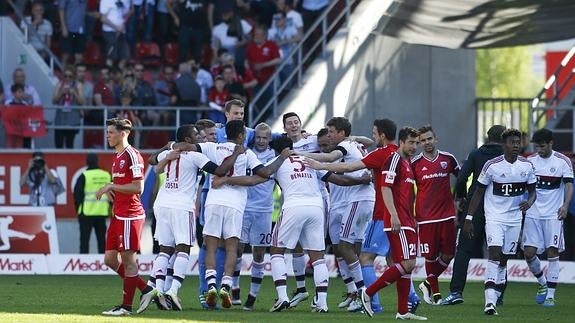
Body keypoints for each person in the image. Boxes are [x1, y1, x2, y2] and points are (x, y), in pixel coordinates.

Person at [211, 136, 372, 313]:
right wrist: (361, 180)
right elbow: (339, 180)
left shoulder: (276, 161)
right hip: (316, 207)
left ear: (276, 151)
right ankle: (322, 303)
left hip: (294, 206)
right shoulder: (308, 159)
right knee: (317, 257)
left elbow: (254, 180)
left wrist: (226, 180)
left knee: (276, 251)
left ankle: (282, 297)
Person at [144, 124, 242, 312]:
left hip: (162, 204)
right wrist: (236, 154)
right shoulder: (196, 156)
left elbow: (151, 160)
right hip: (181, 206)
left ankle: (157, 289)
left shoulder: (168, 153)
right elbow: (219, 170)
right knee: (183, 249)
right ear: (188, 140)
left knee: (165, 250)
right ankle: (172, 291)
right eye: (197, 135)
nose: (201, 137)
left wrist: (166, 147)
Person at [305, 118, 398, 314]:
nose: (328, 135)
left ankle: (361, 292)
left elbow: (335, 162)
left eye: (331, 131)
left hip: (358, 200)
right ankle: (357, 293)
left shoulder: (344, 146)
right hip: (358, 200)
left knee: (346, 247)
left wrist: (310, 160)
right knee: (348, 248)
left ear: (341, 133)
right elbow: (368, 142)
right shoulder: (353, 143)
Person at [462, 128, 537, 316]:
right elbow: (478, 192)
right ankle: (489, 303)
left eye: (518, 142)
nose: (516, 146)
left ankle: (495, 298)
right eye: (512, 142)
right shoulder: (491, 165)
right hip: (494, 217)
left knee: (504, 259)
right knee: (494, 254)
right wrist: (469, 218)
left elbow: (533, 191)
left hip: (514, 219)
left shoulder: (526, 166)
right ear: (504, 145)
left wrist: (529, 201)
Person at [359, 126, 427, 320]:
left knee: (404, 265)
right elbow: (385, 188)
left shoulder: (406, 162)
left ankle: (402, 311)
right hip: (397, 221)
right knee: (408, 263)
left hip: (407, 221)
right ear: (402, 142)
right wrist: (394, 215)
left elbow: (407, 195)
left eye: (417, 143)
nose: (415, 147)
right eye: (412, 143)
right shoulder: (394, 159)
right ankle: (368, 292)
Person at [95, 118, 157, 316]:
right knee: (110, 260)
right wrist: (115, 190)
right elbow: (125, 185)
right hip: (118, 214)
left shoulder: (132, 155)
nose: (108, 136)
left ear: (123, 133)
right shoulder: (117, 155)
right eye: (107, 132)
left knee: (129, 261)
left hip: (130, 215)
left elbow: (138, 188)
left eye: (111, 132)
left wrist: (112, 186)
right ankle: (146, 289)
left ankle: (126, 307)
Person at [441, 124, 506, 305]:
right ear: (504, 138)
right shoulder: (506, 157)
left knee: (463, 250)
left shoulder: (476, 154)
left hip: (474, 208)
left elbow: (462, 178)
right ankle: (498, 294)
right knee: (498, 251)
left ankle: (456, 292)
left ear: (487, 136)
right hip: (500, 208)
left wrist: (460, 197)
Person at [523, 128, 573, 307]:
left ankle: (551, 295)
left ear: (551, 143)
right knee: (528, 253)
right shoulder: (529, 161)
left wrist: (565, 205)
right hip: (533, 213)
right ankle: (543, 283)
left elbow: (568, 185)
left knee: (552, 251)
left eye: (542, 146)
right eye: (536, 146)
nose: (539, 150)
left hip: (553, 214)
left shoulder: (562, 161)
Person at [411, 125, 460, 305]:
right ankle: (436, 294)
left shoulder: (448, 159)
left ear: (435, 139)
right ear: (419, 143)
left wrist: (459, 199)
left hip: (447, 215)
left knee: (448, 254)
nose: (426, 143)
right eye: (422, 140)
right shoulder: (415, 163)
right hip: (425, 218)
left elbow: (461, 178)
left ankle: (427, 283)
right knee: (430, 256)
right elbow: (408, 190)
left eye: (429, 139)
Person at [231, 123, 277, 310]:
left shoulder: (274, 157)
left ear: (270, 139)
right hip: (244, 208)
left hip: (264, 211)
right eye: (258, 137)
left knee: (259, 254)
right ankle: (234, 289)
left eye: (264, 138)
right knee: (238, 249)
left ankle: (252, 296)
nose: (260, 140)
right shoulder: (245, 153)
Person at [74, 153, 112, 254]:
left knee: (84, 240)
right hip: (102, 212)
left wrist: (79, 209)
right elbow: (113, 193)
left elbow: (77, 194)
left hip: (87, 212)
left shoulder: (84, 175)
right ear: (97, 161)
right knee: (102, 241)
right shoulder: (106, 175)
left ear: (87, 162)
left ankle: (84, 263)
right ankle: (103, 264)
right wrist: (111, 208)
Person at [52, 66, 84, 148]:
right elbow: (54, 101)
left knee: (70, 144)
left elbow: (81, 102)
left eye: (70, 76)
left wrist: (74, 93)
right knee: (58, 144)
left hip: (72, 118)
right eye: (65, 76)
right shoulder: (59, 85)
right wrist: (61, 93)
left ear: (73, 76)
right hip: (60, 118)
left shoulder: (78, 85)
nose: (67, 78)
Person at [59, 0, 88, 65]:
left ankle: (75, 74)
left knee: (79, 56)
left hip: (81, 29)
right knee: (66, 54)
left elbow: (83, 10)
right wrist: (63, 27)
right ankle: (64, 73)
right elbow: (61, 10)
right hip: (68, 28)